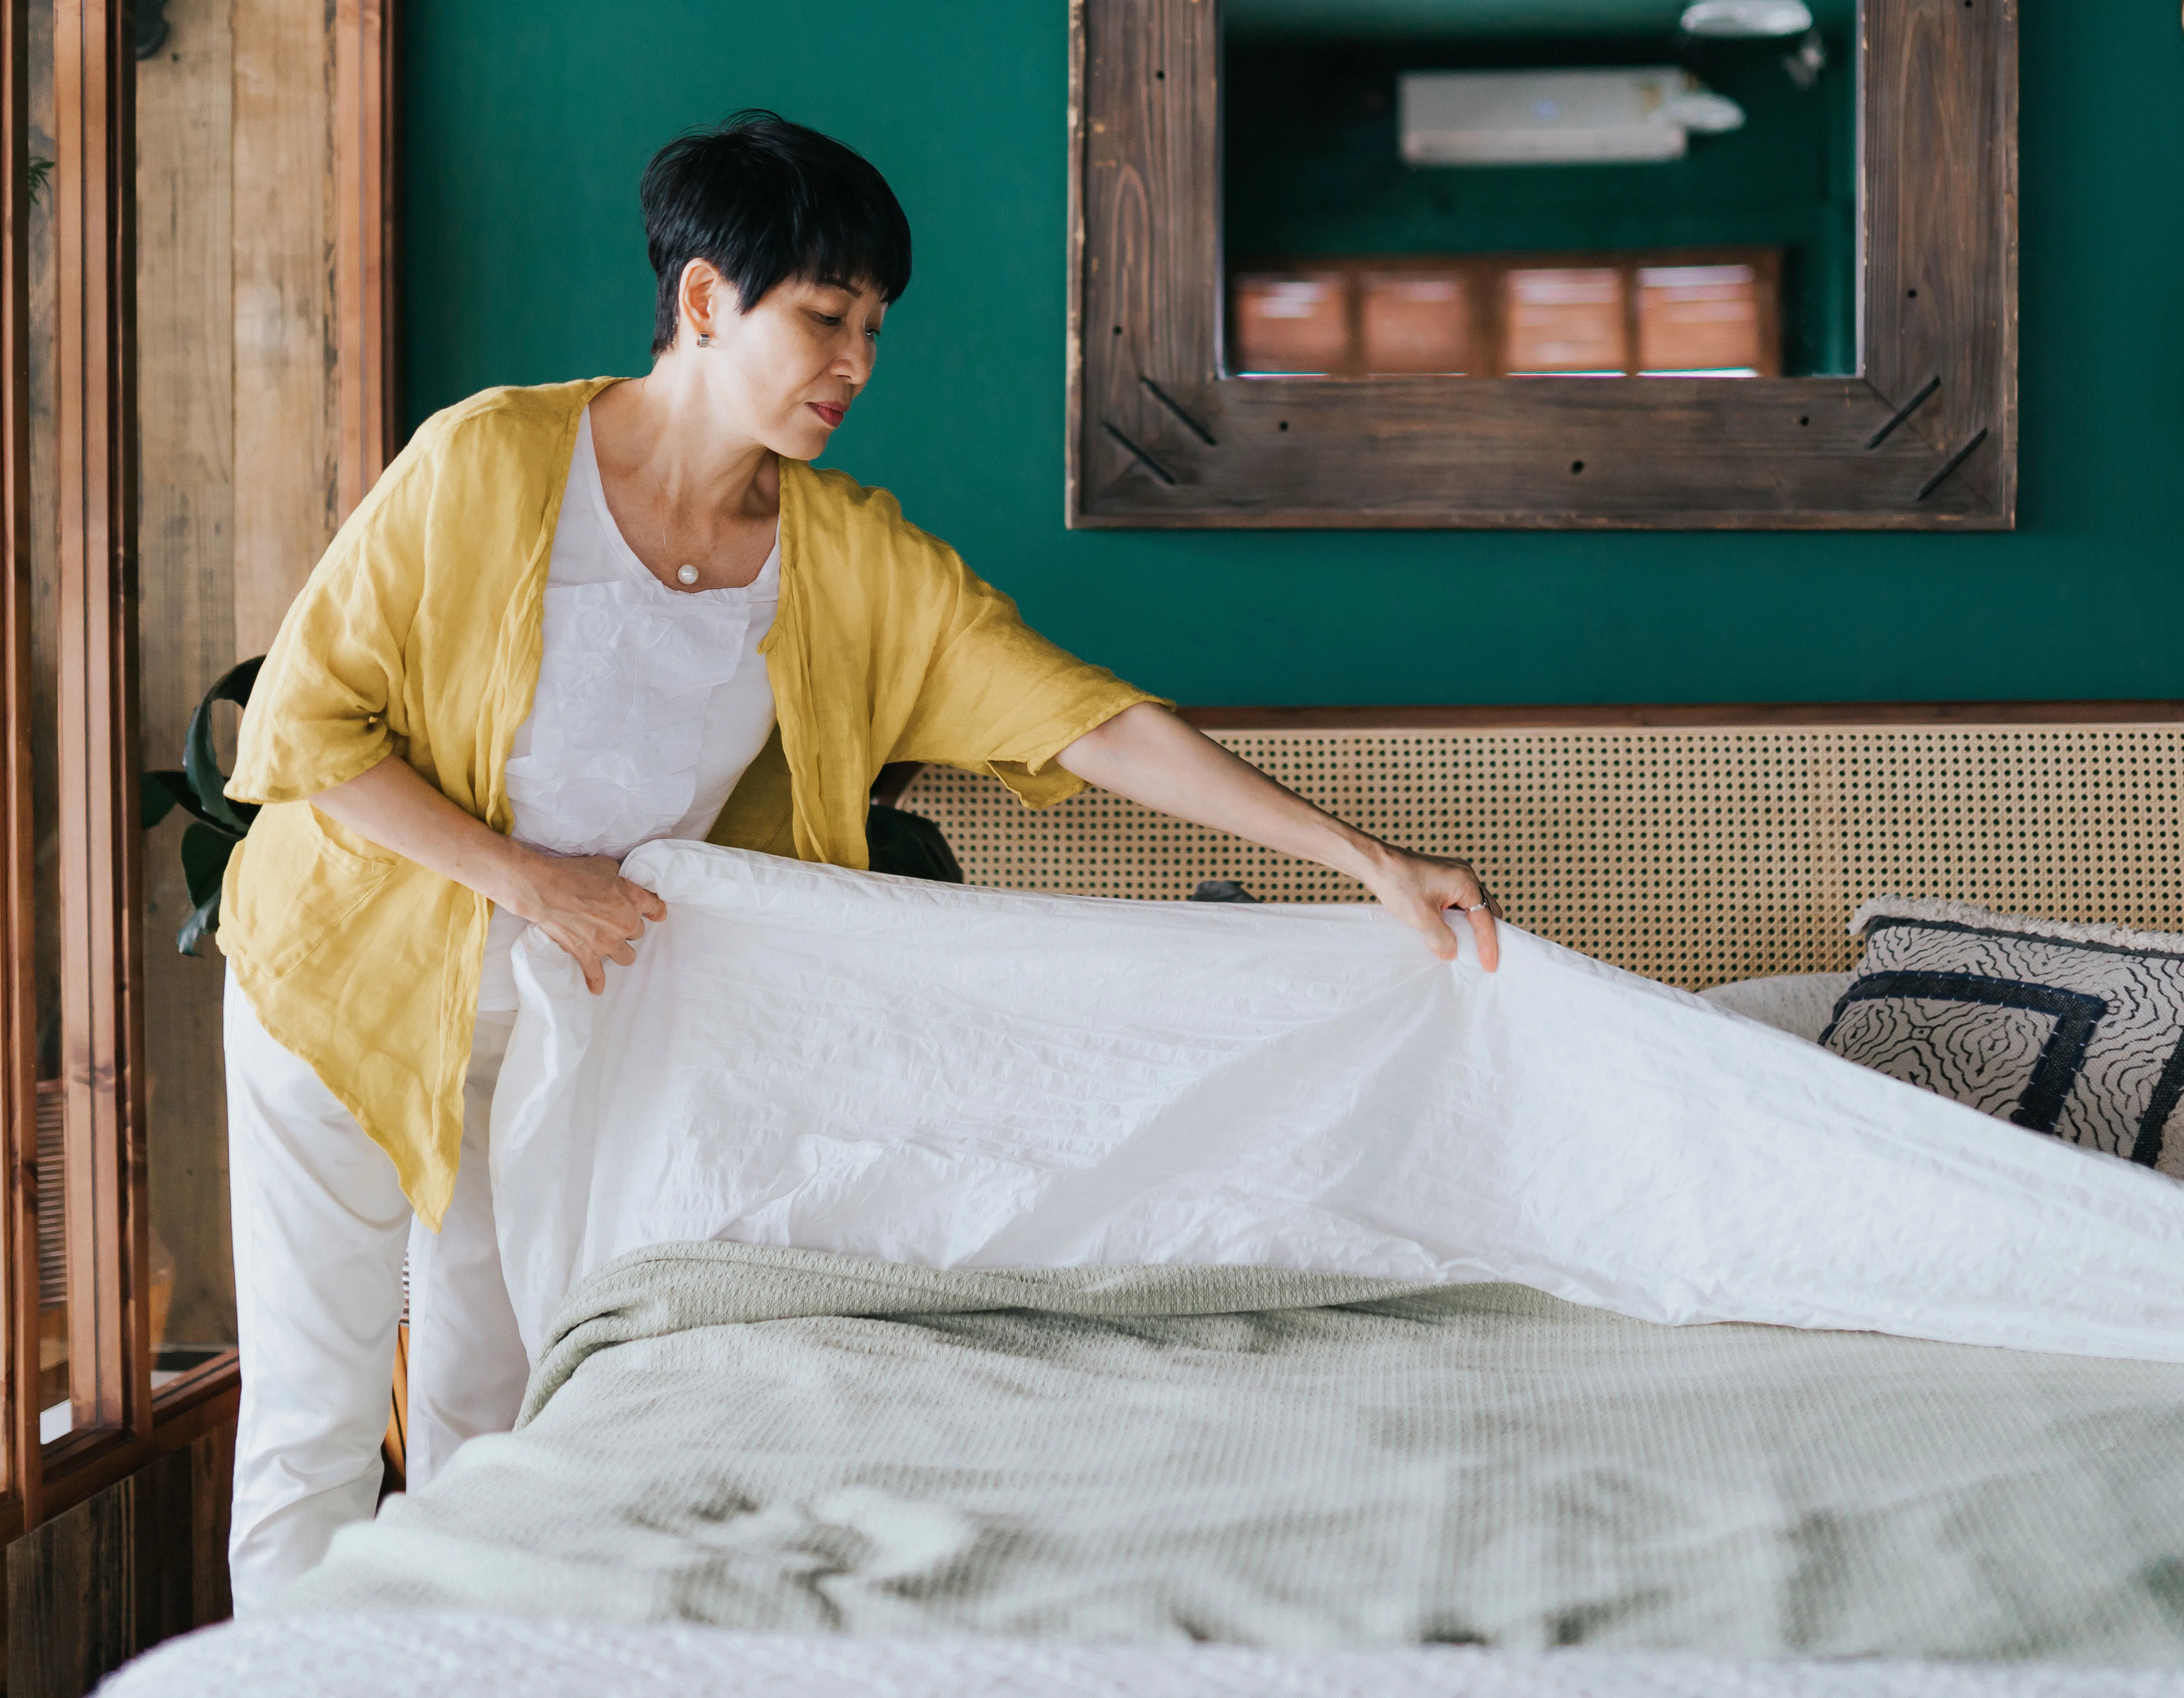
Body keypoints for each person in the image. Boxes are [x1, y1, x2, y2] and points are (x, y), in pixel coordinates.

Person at [212, 111, 1500, 1606]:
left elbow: (1082, 719)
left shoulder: (843, 555)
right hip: (348, 988)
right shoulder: (489, 463)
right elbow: (306, 731)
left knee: (499, 1407)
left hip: (569, 1031)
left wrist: (1361, 860)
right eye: (824, 316)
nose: (857, 363)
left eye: (874, 326)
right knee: (313, 1410)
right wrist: (525, 881)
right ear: (704, 303)